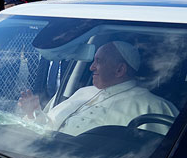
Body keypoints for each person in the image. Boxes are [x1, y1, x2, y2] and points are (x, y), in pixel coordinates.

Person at [18, 41, 178, 136]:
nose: (91, 68)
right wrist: (33, 113)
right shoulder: (83, 92)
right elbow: (47, 128)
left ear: (120, 70)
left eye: (99, 62)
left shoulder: (152, 107)